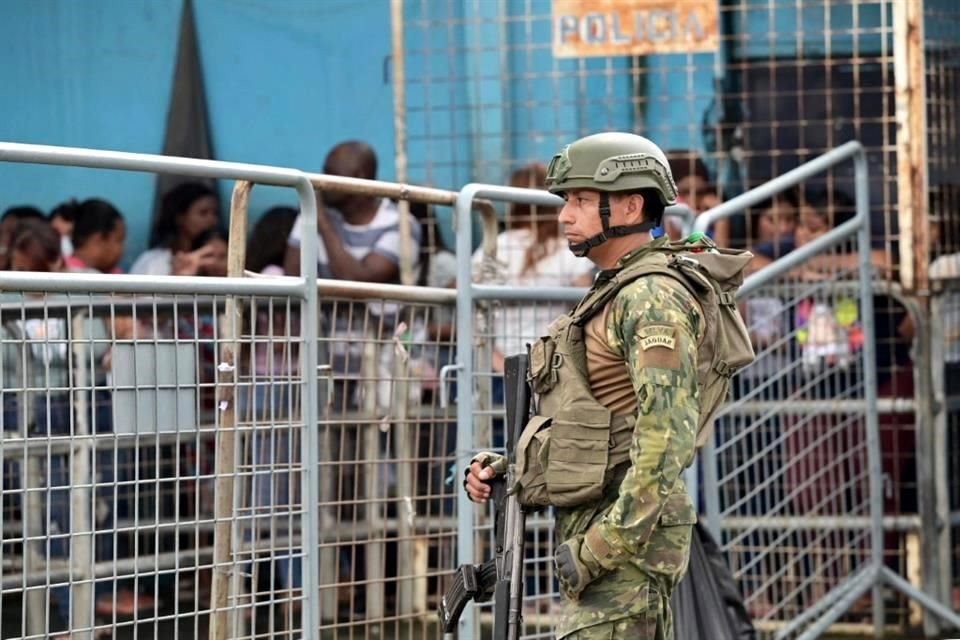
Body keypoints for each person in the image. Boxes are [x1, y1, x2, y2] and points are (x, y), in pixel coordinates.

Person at [463, 133, 750, 638]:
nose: (564, 215)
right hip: (599, 531)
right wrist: (510, 468)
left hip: (623, 546)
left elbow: (665, 439)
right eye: (565, 200)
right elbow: (598, 423)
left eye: (578, 200)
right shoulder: (612, 291)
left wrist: (604, 547)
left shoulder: (651, 298)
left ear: (629, 205)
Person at [130, 182, 221, 276]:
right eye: (203, 213)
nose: (212, 220)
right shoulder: (153, 261)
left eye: (215, 213)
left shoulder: (220, 260)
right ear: (180, 217)